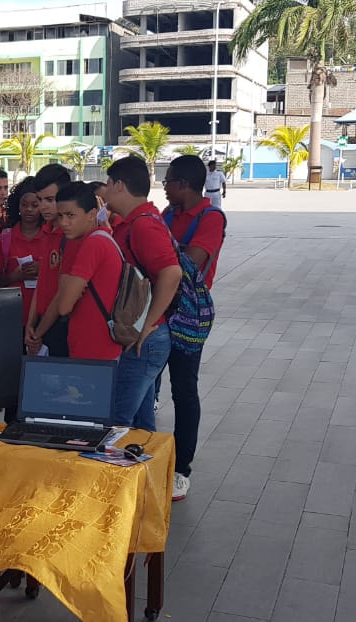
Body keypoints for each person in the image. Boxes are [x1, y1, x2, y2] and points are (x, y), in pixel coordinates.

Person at [159, 155, 226, 502]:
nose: (164, 186)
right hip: (156, 309)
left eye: (168, 180)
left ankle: (181, 468)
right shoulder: (167, 214)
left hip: (186, 316)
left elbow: (193, 260)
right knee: (146, 387)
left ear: (183, 183)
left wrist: (160, 248)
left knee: (184, 390)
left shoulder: (210, 217)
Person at [105, 156, 182, 432]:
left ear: (119, 185)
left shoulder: (143, 225)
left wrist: (147, 324)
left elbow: (171, 273)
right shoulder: (134, 221)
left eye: (108, 183)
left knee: (118, 420)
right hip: (145, 336)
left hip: (147, 338)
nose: (105, 190)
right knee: (140, 423)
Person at [26, 181, 124, 362]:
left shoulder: (93, 244)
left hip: (94, 350)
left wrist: (69, 286)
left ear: (92, 214)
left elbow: (64, 306)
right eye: (61, 215)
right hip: (91, 346)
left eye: (71, 215)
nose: (64, 222)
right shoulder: (96, 238)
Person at [24, 165, 72, 357]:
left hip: (61, 325)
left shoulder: (72, 236)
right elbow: (42, 282)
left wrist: (39, 332)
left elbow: (63, 292)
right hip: (42, 324)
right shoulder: (47, 230)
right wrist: (30, 322)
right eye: (40, 200)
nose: (43, 206)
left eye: (50, 200)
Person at [0, 176, 48, 325]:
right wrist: (14, 276)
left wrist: (44, 269)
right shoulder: (4, 238)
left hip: (45, 316)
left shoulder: (51, 236)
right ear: (18, 206)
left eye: (35, 205)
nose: (29, 209)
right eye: (24, 205)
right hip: (12, 316)